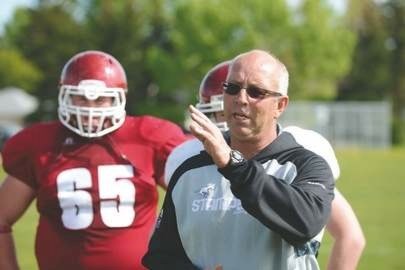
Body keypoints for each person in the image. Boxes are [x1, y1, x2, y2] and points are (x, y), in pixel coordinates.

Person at [142, 49, 336, 269]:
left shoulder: (306, 166)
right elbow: (161, 257)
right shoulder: (189, 171)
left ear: (280, 105)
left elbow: (305, 223)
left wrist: (233, 165)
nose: (241, 99)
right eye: (232, 88)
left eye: (256, 92)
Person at [0, 50, 187, 270]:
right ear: (65, 96)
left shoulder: (149, 137)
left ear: (118, 98)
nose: (90, 109)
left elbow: (194, 203)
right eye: (81, 98)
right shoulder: (40, 145)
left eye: (100, 99)